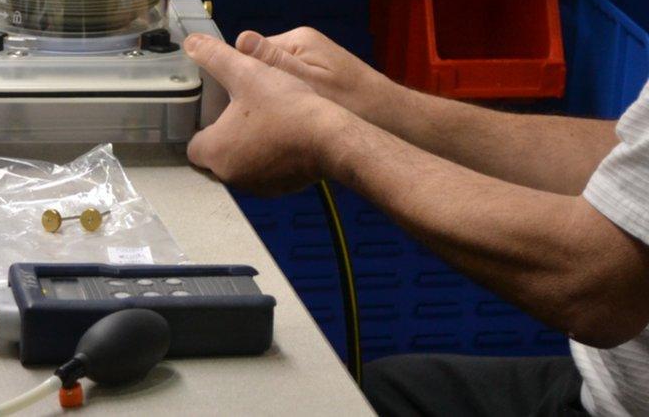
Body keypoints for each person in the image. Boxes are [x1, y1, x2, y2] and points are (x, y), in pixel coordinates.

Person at [183, 28, 649, 416]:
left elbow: (598, 283)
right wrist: (382, 105)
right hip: (608, 389)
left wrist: (325, 133)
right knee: (386, 392)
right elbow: (626, 171)